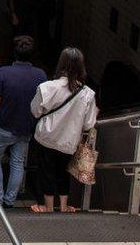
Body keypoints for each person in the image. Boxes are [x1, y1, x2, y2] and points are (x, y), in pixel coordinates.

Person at [30, 47, 97, 214]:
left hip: (46, 136)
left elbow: (35, 111)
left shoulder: (47, 87)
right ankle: (64, 206)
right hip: (69, 141)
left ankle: (48, 207)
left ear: (61, 64)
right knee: (63, 172)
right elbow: (89, 124)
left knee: (46, 171)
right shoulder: (88, 94)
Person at [0, 36, 47, 208]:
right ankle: (10, 200)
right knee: (18, 162)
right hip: (26, 126)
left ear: (13, 52)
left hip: (3, 125)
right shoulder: (40, 75)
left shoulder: (3, 72)